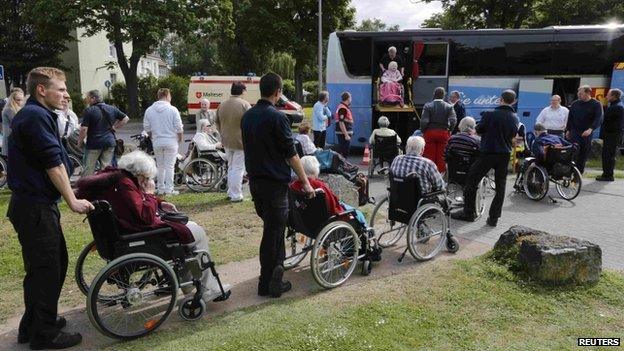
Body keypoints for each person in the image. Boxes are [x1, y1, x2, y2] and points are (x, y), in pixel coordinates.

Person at [7, 67, 93, 350]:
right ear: (42, 90)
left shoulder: (37, 114)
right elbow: (53, 164)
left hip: (35, 205)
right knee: (47, 268)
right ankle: (44, 335)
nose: (66, 94)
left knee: (47, 266)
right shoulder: (35, 117)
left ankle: (33, 324)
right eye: (61, 89)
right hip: (35, 206)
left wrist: (69, 191)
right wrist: (72, 200)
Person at [75, 151, 229, 301]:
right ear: (139, 174)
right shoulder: (126, 185)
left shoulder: (117, 179)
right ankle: (206, 287)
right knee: (197, 233)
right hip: (139, 236)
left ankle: (185, 282)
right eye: (147, 177)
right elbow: (145, 217)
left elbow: (136, 203)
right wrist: (149, 193)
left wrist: (160, 202)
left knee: (191, 227)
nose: (147, 181)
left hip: (123, 232)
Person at [241, 72, 315, 298]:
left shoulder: (248, 116)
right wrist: (305, 182)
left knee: (274, 231)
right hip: (274, 186)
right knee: (273, 234)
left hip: (256, 183)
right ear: (278, 92)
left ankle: (275, 276)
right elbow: (291, 155)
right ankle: (268, 283)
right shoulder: (278, 118)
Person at [452, 90, 519, 227]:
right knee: (500, 187)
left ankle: (469, 213)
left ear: (500, 99)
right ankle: (493, 218)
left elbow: (479, 129)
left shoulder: (489, 114)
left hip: (488, 152)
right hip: (504, 155)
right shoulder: (514, 117)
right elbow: (513, 135)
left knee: (471, 181)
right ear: (513, 101)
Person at [290, 156, 368, 227]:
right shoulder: (319, 186)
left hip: (304, 220)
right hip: (325, 219)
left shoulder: (294, 185)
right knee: (358, 213)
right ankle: (366, 229)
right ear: (315, 170)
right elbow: (333, 206)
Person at [215, 81, 251, 202]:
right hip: (241, 141)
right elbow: (250, 124)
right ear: (242, 91)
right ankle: (236, 195)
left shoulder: (222, 104)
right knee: (238, 168)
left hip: (226, 140)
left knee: (231, 167)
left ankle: (231, 192)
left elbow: (217, 122)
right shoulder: (245, 104)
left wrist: (222, 133)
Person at [78, 90, 129, 175]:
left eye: (87, 98)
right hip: (109, 143)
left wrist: (79, 142)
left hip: (94, 144)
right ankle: (104, 187)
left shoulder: (89, 111)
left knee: (88, 168)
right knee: (106, 168)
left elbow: (83, 129)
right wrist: (115, 127)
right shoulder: (112, 108)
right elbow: (125, 118)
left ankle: (87, 187)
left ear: (93, 98)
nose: (86, 100)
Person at [143, 88, 184, 195]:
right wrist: (180, 138)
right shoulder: (173, 109)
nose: (171, 98)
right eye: (170, 96)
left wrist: (153, 137)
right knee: (170, 166)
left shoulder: (149, 110)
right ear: (166, 96)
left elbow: (147, 127)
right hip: (171, 140)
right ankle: (169, 189)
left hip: (157, 141)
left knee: (160, 166)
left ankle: (160, 188)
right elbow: (179, 127)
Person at [565, 85, 603, 174]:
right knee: (573, 152)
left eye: (581, 93)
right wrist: (568, 129)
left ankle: (578, 174)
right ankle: (569, 172)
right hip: (574, 132)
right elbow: (570, 118)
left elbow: (598, 118)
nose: (578, 95)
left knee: (583, 154)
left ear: (588, 93)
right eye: (578, 93)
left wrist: (590, 129)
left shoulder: (596, 104)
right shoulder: (575, 104)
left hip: (586, 133)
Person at [421, 87, 457, 173]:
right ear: (444, 96)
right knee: (441, 156)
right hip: (443, 133)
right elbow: (453, 120)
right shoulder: (449, 107)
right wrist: (450, 130)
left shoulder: (428, 106)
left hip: (430, 133)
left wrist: (423, 130)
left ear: (434, 94)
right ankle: (440, 176)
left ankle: (429, 173)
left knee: (429, 155)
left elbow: (424, 121)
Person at [597, 88, 624, 181]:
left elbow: (615, 124)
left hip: (612, 135)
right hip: (611, 135)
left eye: (608, 95)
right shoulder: (615, 105)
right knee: (607, 154)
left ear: (614, 96)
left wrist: (607, 132)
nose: (606, 96)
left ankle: (608, 175)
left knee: (608, 155)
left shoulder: (617, 107)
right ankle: (606, 174)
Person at [2, 87, 25, 157]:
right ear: (12, 99)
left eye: (22, 100)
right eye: (18, 100)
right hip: (11, 141)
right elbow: (20, 124)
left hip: (15, 140)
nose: (20, 102)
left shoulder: (17, 109)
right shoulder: (9, 109)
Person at [335, 92, 354, 157]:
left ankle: (343, 166)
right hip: (343, 134)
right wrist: (346, 135)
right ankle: (343, 166)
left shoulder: (343, 107)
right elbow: (341, 122)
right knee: (344, 153)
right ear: (348, 98)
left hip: (343, 133)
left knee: (343, 152)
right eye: (350, 98)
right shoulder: (343, 108)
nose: (351, 99)